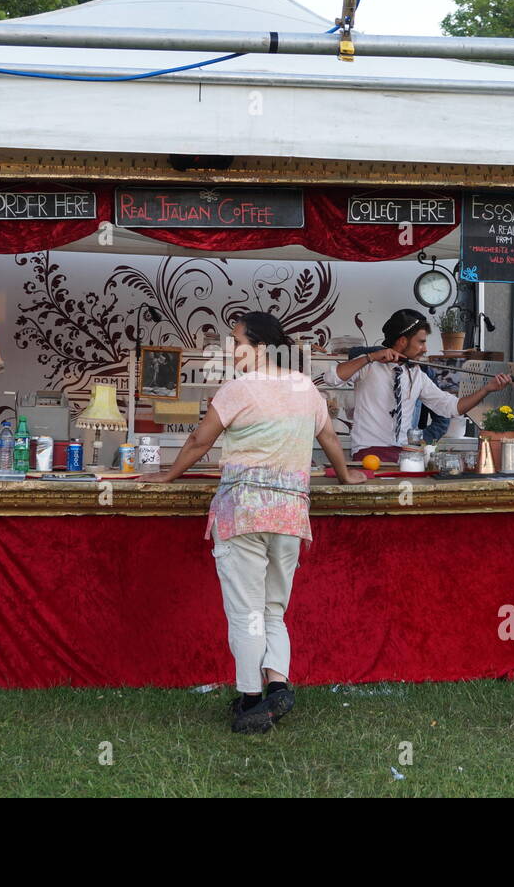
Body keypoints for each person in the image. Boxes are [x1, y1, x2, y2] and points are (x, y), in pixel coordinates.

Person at [141, 311, 366, 734]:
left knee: (246, 613)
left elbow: (199, 441)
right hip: (289, 514)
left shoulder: (237, 390)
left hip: (243, 513)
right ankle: (277, 685)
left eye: (237, 341)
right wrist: (346, 475)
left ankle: (249, 701)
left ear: (260, 347)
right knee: (274, 610)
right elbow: (330, 440)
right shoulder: (306, 388)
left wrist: (166, 475)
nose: (232, 349)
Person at [335, 309, 513, 462]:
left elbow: (452, 407)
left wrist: (487, 389)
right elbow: (332, 377)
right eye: (421, 342)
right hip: (368, 453)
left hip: (404, 454)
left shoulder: (418, 374)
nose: (426, 349)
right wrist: (370, 357)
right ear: (403, 341)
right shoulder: (368, 366)